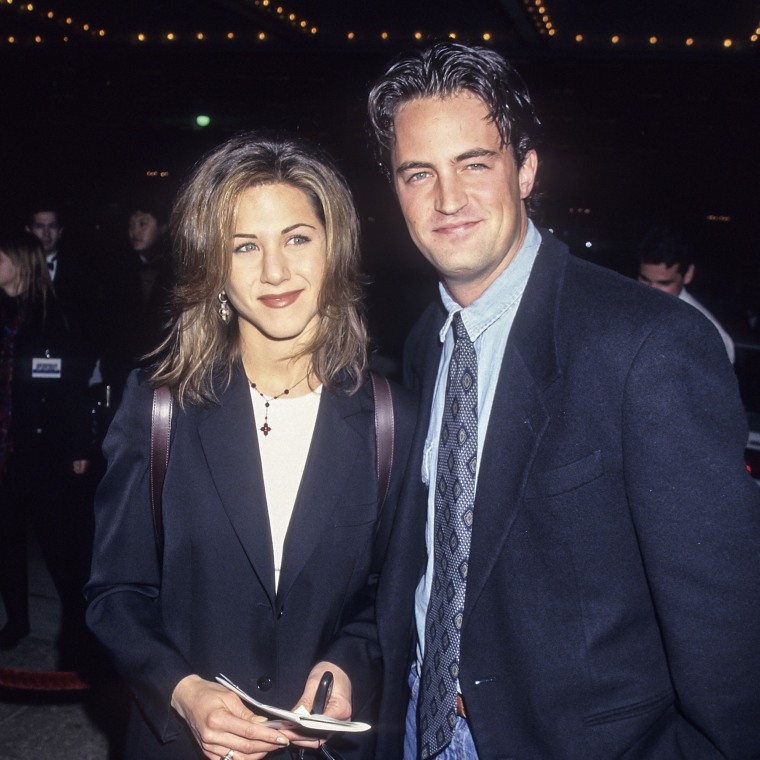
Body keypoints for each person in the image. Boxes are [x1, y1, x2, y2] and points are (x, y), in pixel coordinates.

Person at [329, 41, 760, 759]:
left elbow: (727, 628)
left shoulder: (647, 344)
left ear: (526, 169)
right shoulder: (426, 336)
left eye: (474, 163)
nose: (448, 199)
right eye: (418, 173)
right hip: (417, 726)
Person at [85, 132, 415, 760]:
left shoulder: (391, 418)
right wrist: (179, 692)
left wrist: (348, 667)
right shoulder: (159, 408)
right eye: (245, 246)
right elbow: (116, 593)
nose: (275, 271)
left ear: (334, 249)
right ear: (214, 268)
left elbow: (391, 598)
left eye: (297, 237)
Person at [0, 230, 92, 660]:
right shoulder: (3, 312)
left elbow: (72, 387)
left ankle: (78, 627)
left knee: (60, 547)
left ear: (21, 262)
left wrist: (78, 447)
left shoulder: (56, 315)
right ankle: (16, 621)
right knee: (6, 542)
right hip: (6, 450)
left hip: (46, 451)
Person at [637, 224, 735, 363]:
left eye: (664, 283)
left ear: (688, 275)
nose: (651, 291)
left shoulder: (707, 332)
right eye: (644, 279)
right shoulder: (631, 305)